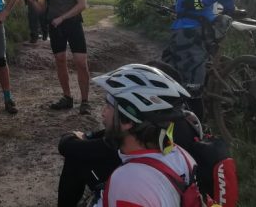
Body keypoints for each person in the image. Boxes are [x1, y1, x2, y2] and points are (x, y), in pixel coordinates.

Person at [57, 64, 198, 207]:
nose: (103, 113)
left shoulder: (128, 183)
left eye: (108, 105)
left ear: (128, 121)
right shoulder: (181, 155)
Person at [27, 0, 91, 114]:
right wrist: (32, 1)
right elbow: (42, 10)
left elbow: (82, 5)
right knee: (60, 61)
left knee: (81, 63)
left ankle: (85, 101)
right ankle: (67, 98)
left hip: (73, 25)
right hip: (55, 27)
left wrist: (62, 18)